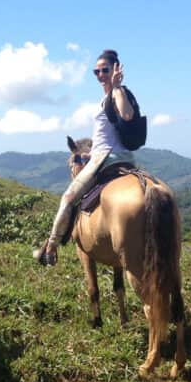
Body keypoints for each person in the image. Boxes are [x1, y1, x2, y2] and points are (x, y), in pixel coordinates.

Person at [34, 49, 135, 266]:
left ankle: (50, 248)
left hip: (106, 159)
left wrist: (117, 87)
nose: (100, 75)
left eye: (104, 70)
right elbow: (110, 135)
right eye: (96, 71)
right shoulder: (107, 97)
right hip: (122, 158)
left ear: (116, 69)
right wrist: (90, 153)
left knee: (68, 198)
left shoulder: (117, 93)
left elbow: (127, 115)